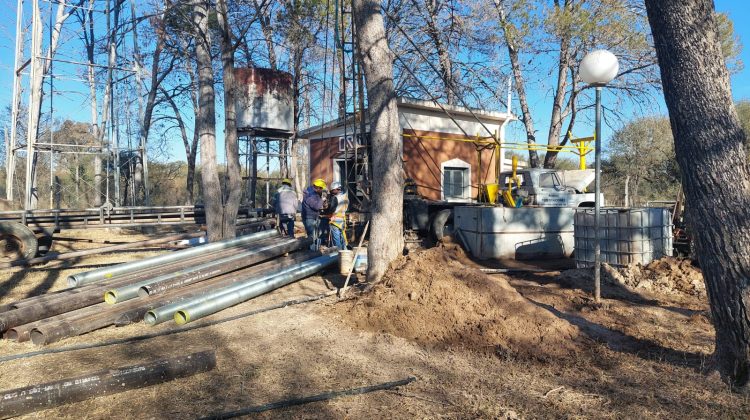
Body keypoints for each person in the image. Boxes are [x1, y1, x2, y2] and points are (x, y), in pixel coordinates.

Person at [322, 181, 349, 250]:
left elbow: (331, 210)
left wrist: (325, 209)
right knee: (342, 237)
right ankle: (344, 252)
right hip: (342, 219)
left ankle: (338, 253)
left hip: (335, 220)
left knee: (336, 239)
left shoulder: (335, 198)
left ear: (336, 189)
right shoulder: (345, 197)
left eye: (332, 190)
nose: (331, 192)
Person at [301, 178, 327, 244]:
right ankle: (311, 251)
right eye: (321, 189)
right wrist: (322, 199)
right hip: (309, 218)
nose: (322, 190)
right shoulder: (310, 195)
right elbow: (316, 206)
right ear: (317, 188)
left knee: (316, 235)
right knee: (312, 236)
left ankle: (315, 249)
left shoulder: (315, 193)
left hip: (314, 216)